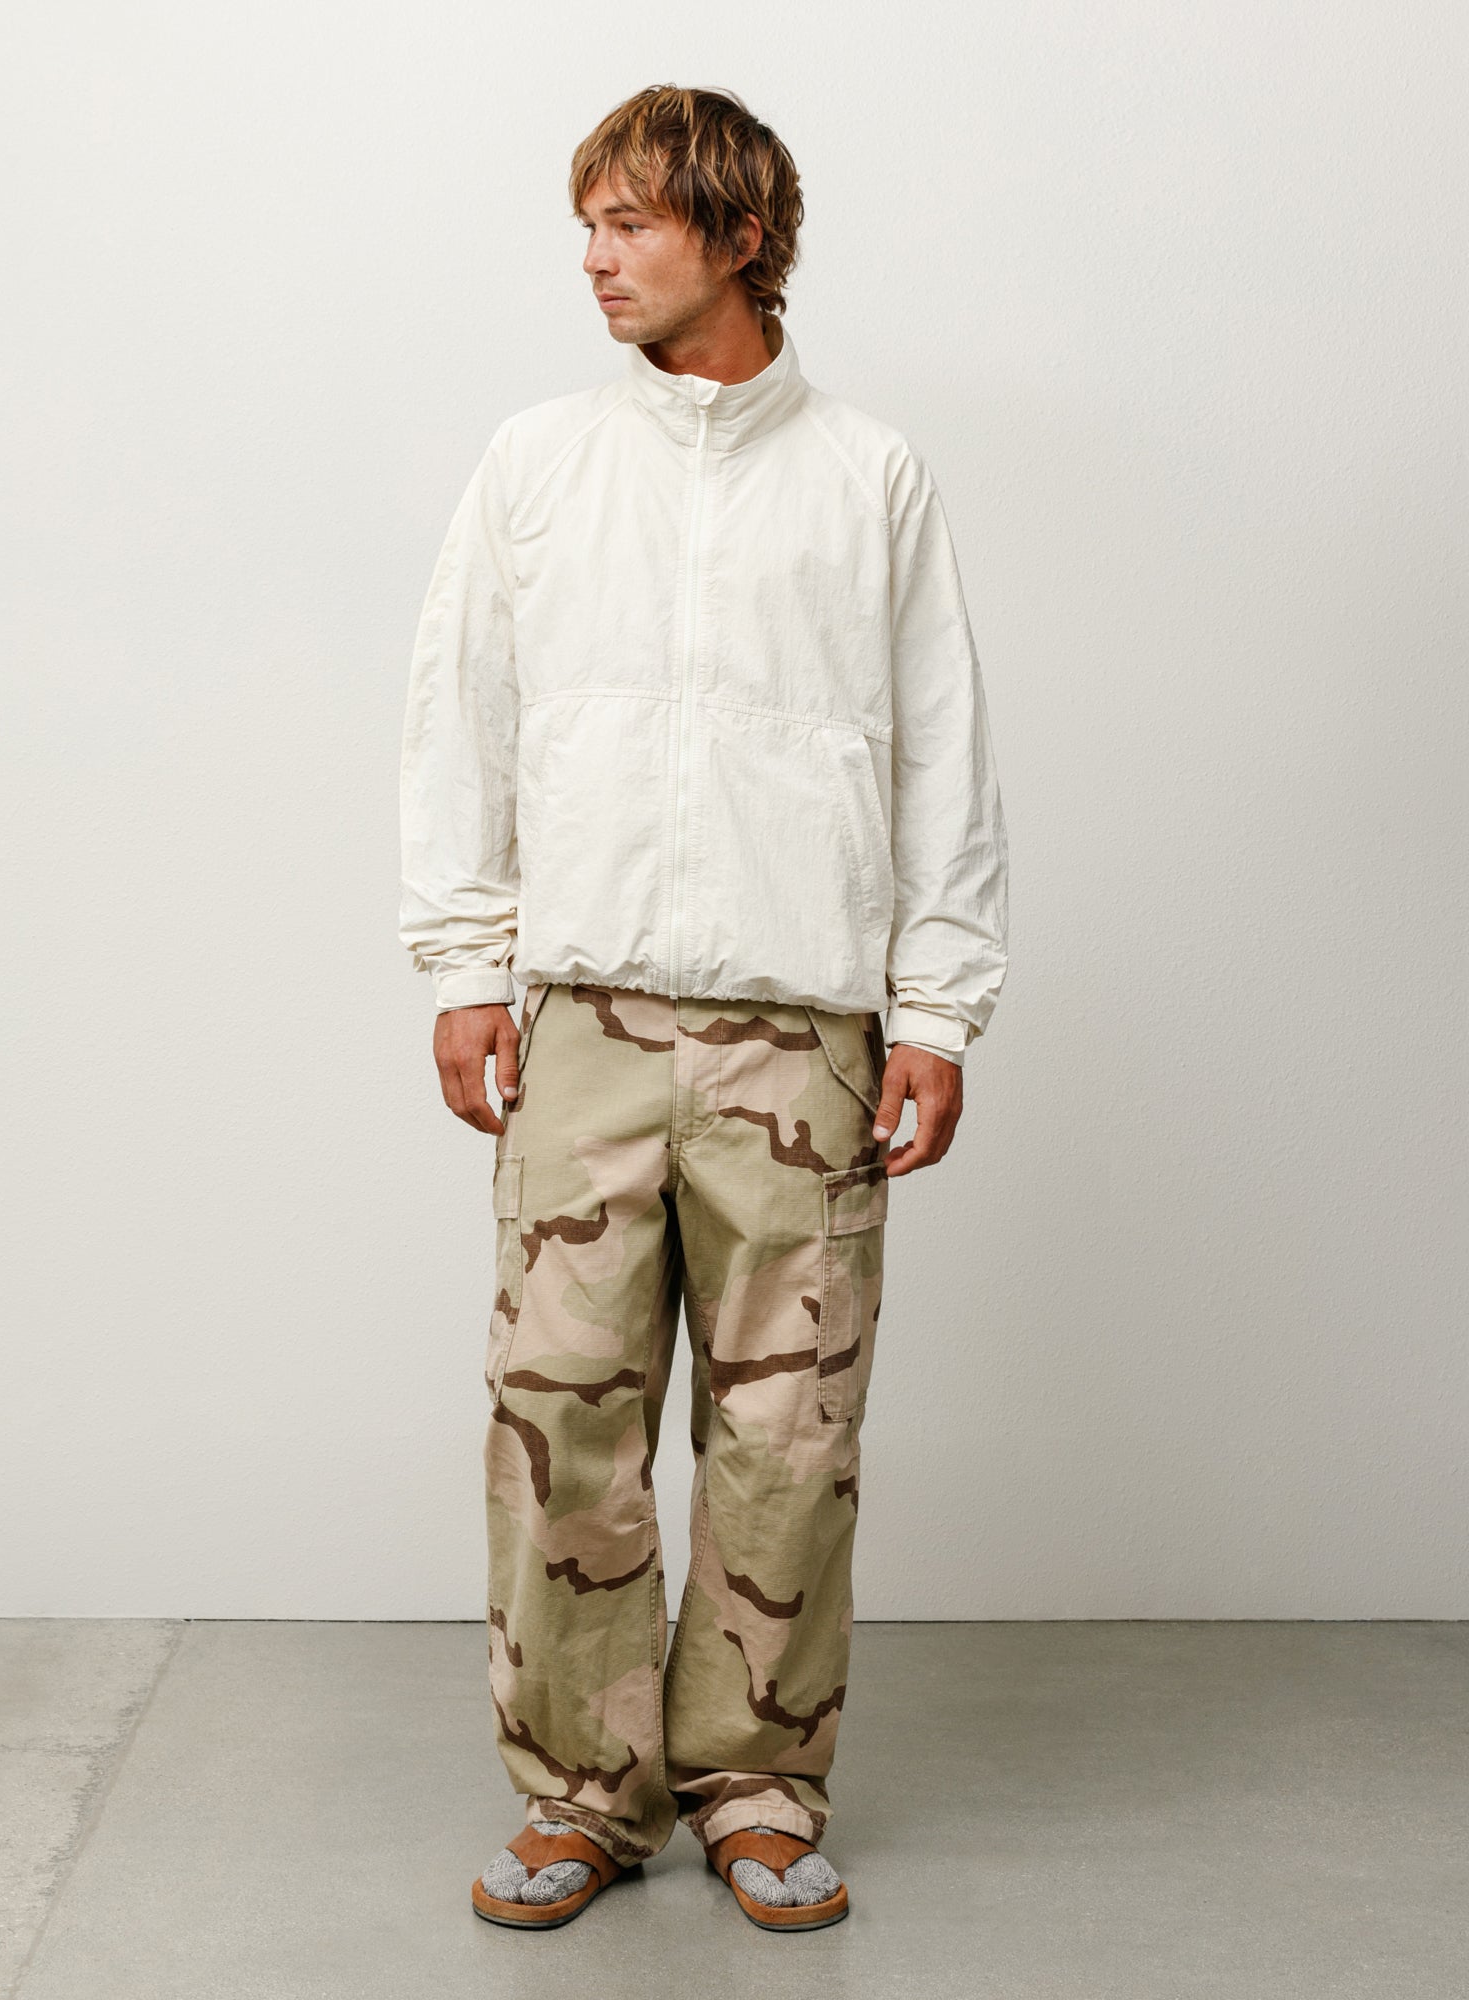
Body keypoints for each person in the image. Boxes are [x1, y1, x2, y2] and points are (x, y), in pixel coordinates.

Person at [397, 83, 1008, 1933]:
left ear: (740, 236)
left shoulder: (870, 476)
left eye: (633, 223)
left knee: (790, 1434)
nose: (595, 259)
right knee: (556, 1417)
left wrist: (938, 1009)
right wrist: (463, 964)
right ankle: (585, 1795)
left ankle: (756, 1780)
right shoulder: (536, 463)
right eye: (586, 224)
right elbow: (461, 719)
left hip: (801, 1035)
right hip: (583, 1023)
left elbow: (942, 754)